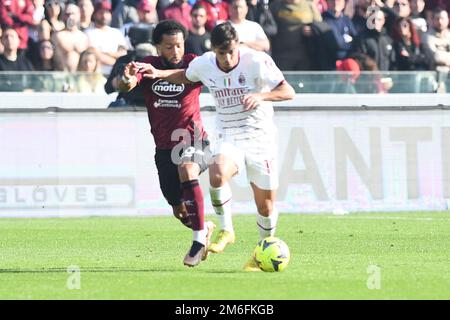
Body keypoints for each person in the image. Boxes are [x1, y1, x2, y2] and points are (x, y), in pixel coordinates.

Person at [138, 22, 295, 271]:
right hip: (228, 134)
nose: (227, 58)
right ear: (214, 50)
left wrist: (260, 96)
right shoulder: (206, 63)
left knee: (265, 207)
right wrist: (158, 74)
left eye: (231, 51)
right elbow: (185, 76)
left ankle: (261, 248)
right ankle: (226, 230)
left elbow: (288, 91)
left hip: (259, 138)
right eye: (222, 53)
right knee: (217, 172)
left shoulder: (256, 61)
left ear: (238, 46)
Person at [118, 20, 215, 267]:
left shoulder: (193, 62)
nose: (175, 52)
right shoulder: (147, 65)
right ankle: (205, 227)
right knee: (179, 211)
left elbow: (193, 73)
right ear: (158, 47)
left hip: (194, 140)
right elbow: (127, 85)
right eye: (169, 47)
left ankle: (197, 241)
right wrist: (126, 79)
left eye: (179, 46)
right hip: (164, 149)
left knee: (187, 167)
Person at [85, 0, 128, 75]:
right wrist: (115, 62)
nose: (104, 16)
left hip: (115, 75)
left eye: (107, 12)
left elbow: (123, 53)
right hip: (96, 74)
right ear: (95, 14)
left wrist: (105, 53)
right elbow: (96, 55)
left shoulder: (116, 32)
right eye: (101, 13)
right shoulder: (88, 33)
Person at [51, 3, 89, 72]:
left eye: (73, 14)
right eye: (67, 14)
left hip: (79, 76)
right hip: (61, 75)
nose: (70, 17)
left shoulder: (84, 37)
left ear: (79, 15)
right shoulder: (57, 36)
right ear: (63, 16)